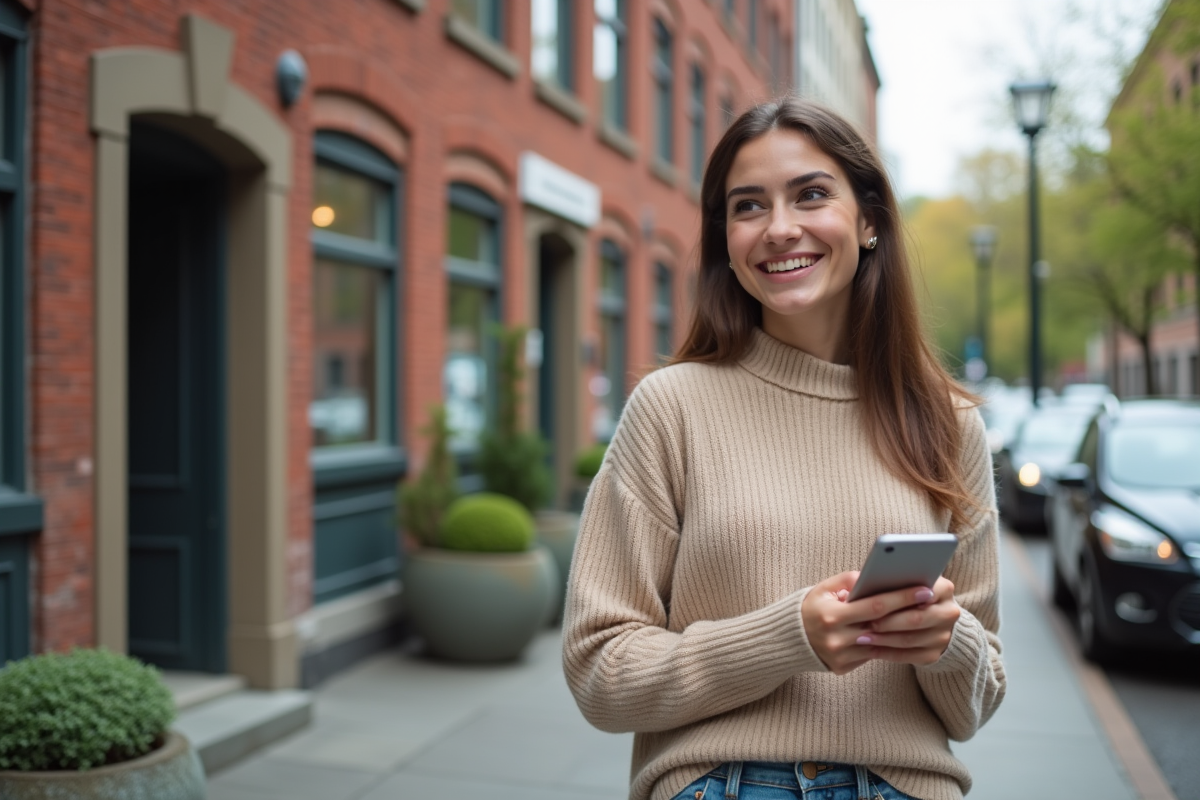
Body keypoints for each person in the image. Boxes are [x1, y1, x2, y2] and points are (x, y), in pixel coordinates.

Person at [561, 96, 1005, 800]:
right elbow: (600, 674)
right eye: (748, 206)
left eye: (810, 195)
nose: (779, 228)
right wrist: (786, 635)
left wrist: (948, 643)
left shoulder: (950, 425)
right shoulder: (672, 407)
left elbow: (972, 708)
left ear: (868, 221)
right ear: (725, 240)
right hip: (721, 783)